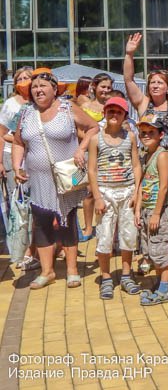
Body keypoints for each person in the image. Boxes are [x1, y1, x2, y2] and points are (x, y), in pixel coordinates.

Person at [12, 68, 99, 290]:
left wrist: (81, 149)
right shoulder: (26, 113)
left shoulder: (68, 108)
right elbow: (19, 141)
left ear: (54, 89)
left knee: (67, 221)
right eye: (34, 87)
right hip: (37, 178)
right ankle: (47, 272)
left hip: (65, 177)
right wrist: (16, 165)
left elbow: (93, 127)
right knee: (41, 224)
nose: (38, 90)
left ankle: (71, 270)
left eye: (42, 86)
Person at [88, 97, 142, 299]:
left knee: (128, 235)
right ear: (104, 113)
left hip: (127, 191)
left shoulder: (130, 137)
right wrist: (98, 197)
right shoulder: (96, 139)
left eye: (118, 112)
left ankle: (127, 274)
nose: (114, 115)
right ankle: (106, 276)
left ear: (124, 116)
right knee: (105, 236)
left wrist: (137, 191)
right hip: (105, 191)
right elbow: (92, 170)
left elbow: (136, 165)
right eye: (110, 111)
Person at [135, 115, 168, 305]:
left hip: (158, 211)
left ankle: (165, 289)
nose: (146, 135)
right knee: (152, 250)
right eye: (143, 132)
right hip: (146, 209)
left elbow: (163, 186)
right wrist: (137, 209)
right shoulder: (146, 155)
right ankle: (161, 283)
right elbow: (143, 183)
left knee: (162, 249)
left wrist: (157, 213)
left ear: (160, 135)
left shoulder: (162, 155)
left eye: (151, 132)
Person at [124, 32, 168, 150]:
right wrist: (129, 54)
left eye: (160, 83)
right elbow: (129, 80)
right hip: (148, 156)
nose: (155, 86)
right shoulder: (143, 103)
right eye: (152, 83)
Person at [0, 66, 33, 267]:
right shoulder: (11, 104)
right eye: (19, 78)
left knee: (36, 206)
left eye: (27, 78)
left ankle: (37, 248)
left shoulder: (41, 101)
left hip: (36, 158)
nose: (23, 81)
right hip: (12, 156)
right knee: (19, 205)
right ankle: (22, 250)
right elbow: (2, 132)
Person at [78, 73, 115, 242]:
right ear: (94, 86)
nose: (106, 90)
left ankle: (105, 227)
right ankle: (87, 226)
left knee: (106, 190)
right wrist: (89, 138)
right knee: (88, 192)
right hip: (88, 151)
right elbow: (77, 128)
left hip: (107, 152)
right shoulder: (84, 104)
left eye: (109, 87)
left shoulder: (113, 106)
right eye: (103, 86)